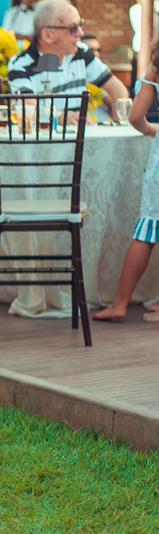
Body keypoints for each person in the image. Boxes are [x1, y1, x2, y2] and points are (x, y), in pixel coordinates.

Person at [94, 38, 159, 324]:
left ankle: (119, 304)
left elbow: (134, 117)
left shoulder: (157, 61)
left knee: (147, 229)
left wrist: (151, 130)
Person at [7, 0, 128, 116]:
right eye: (73, 28)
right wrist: (62, 118)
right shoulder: (20, 65)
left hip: (81, 133)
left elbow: (117, 88)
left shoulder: (81, 52)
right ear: (47, 35)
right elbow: (29, 111)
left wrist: (118, 122)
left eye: (80, 25)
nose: (81, 33)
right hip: (46, 134)